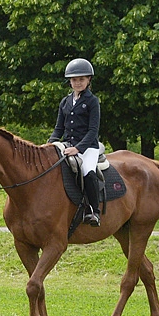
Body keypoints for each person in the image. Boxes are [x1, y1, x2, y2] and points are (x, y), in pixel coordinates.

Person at [50, 58, 103, 225]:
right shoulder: (65, 102)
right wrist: (49, 144)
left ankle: (94, 211)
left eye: (81, 79)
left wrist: (78, 149)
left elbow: (93, 131)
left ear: (88, 80)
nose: (78, 83)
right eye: (74, 80)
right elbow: (59, 128)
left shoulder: (92, 101)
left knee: (87, 171)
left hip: (88, 147)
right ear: (70, 82)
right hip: (67, 145)